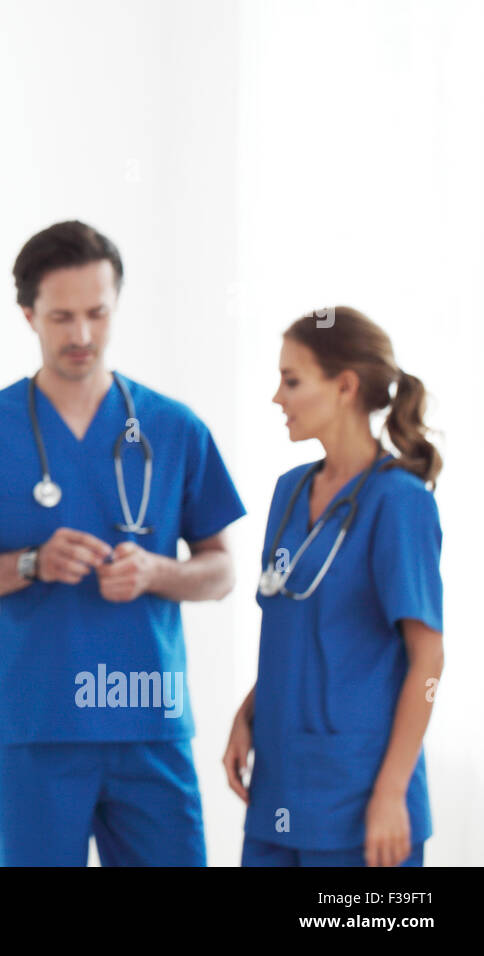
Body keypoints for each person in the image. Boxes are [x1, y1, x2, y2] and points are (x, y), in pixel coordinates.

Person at [0, 221, 245, 866]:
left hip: (149, 722)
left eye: (97, 314)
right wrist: (28, 564)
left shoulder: (173, 428)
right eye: (62, 317)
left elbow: (221, 570)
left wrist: (157, 572)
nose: (82, 336)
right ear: (28, 315)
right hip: (36, 727)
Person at [223, 306, 444, 867]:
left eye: (292, 380)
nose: (277, 397)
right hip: (279, 790)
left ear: (345, 386)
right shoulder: (289, 493)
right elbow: (297, 628)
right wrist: (248, 712)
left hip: (361, 799)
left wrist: (392, 793)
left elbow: (428, 661)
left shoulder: (399, 502)